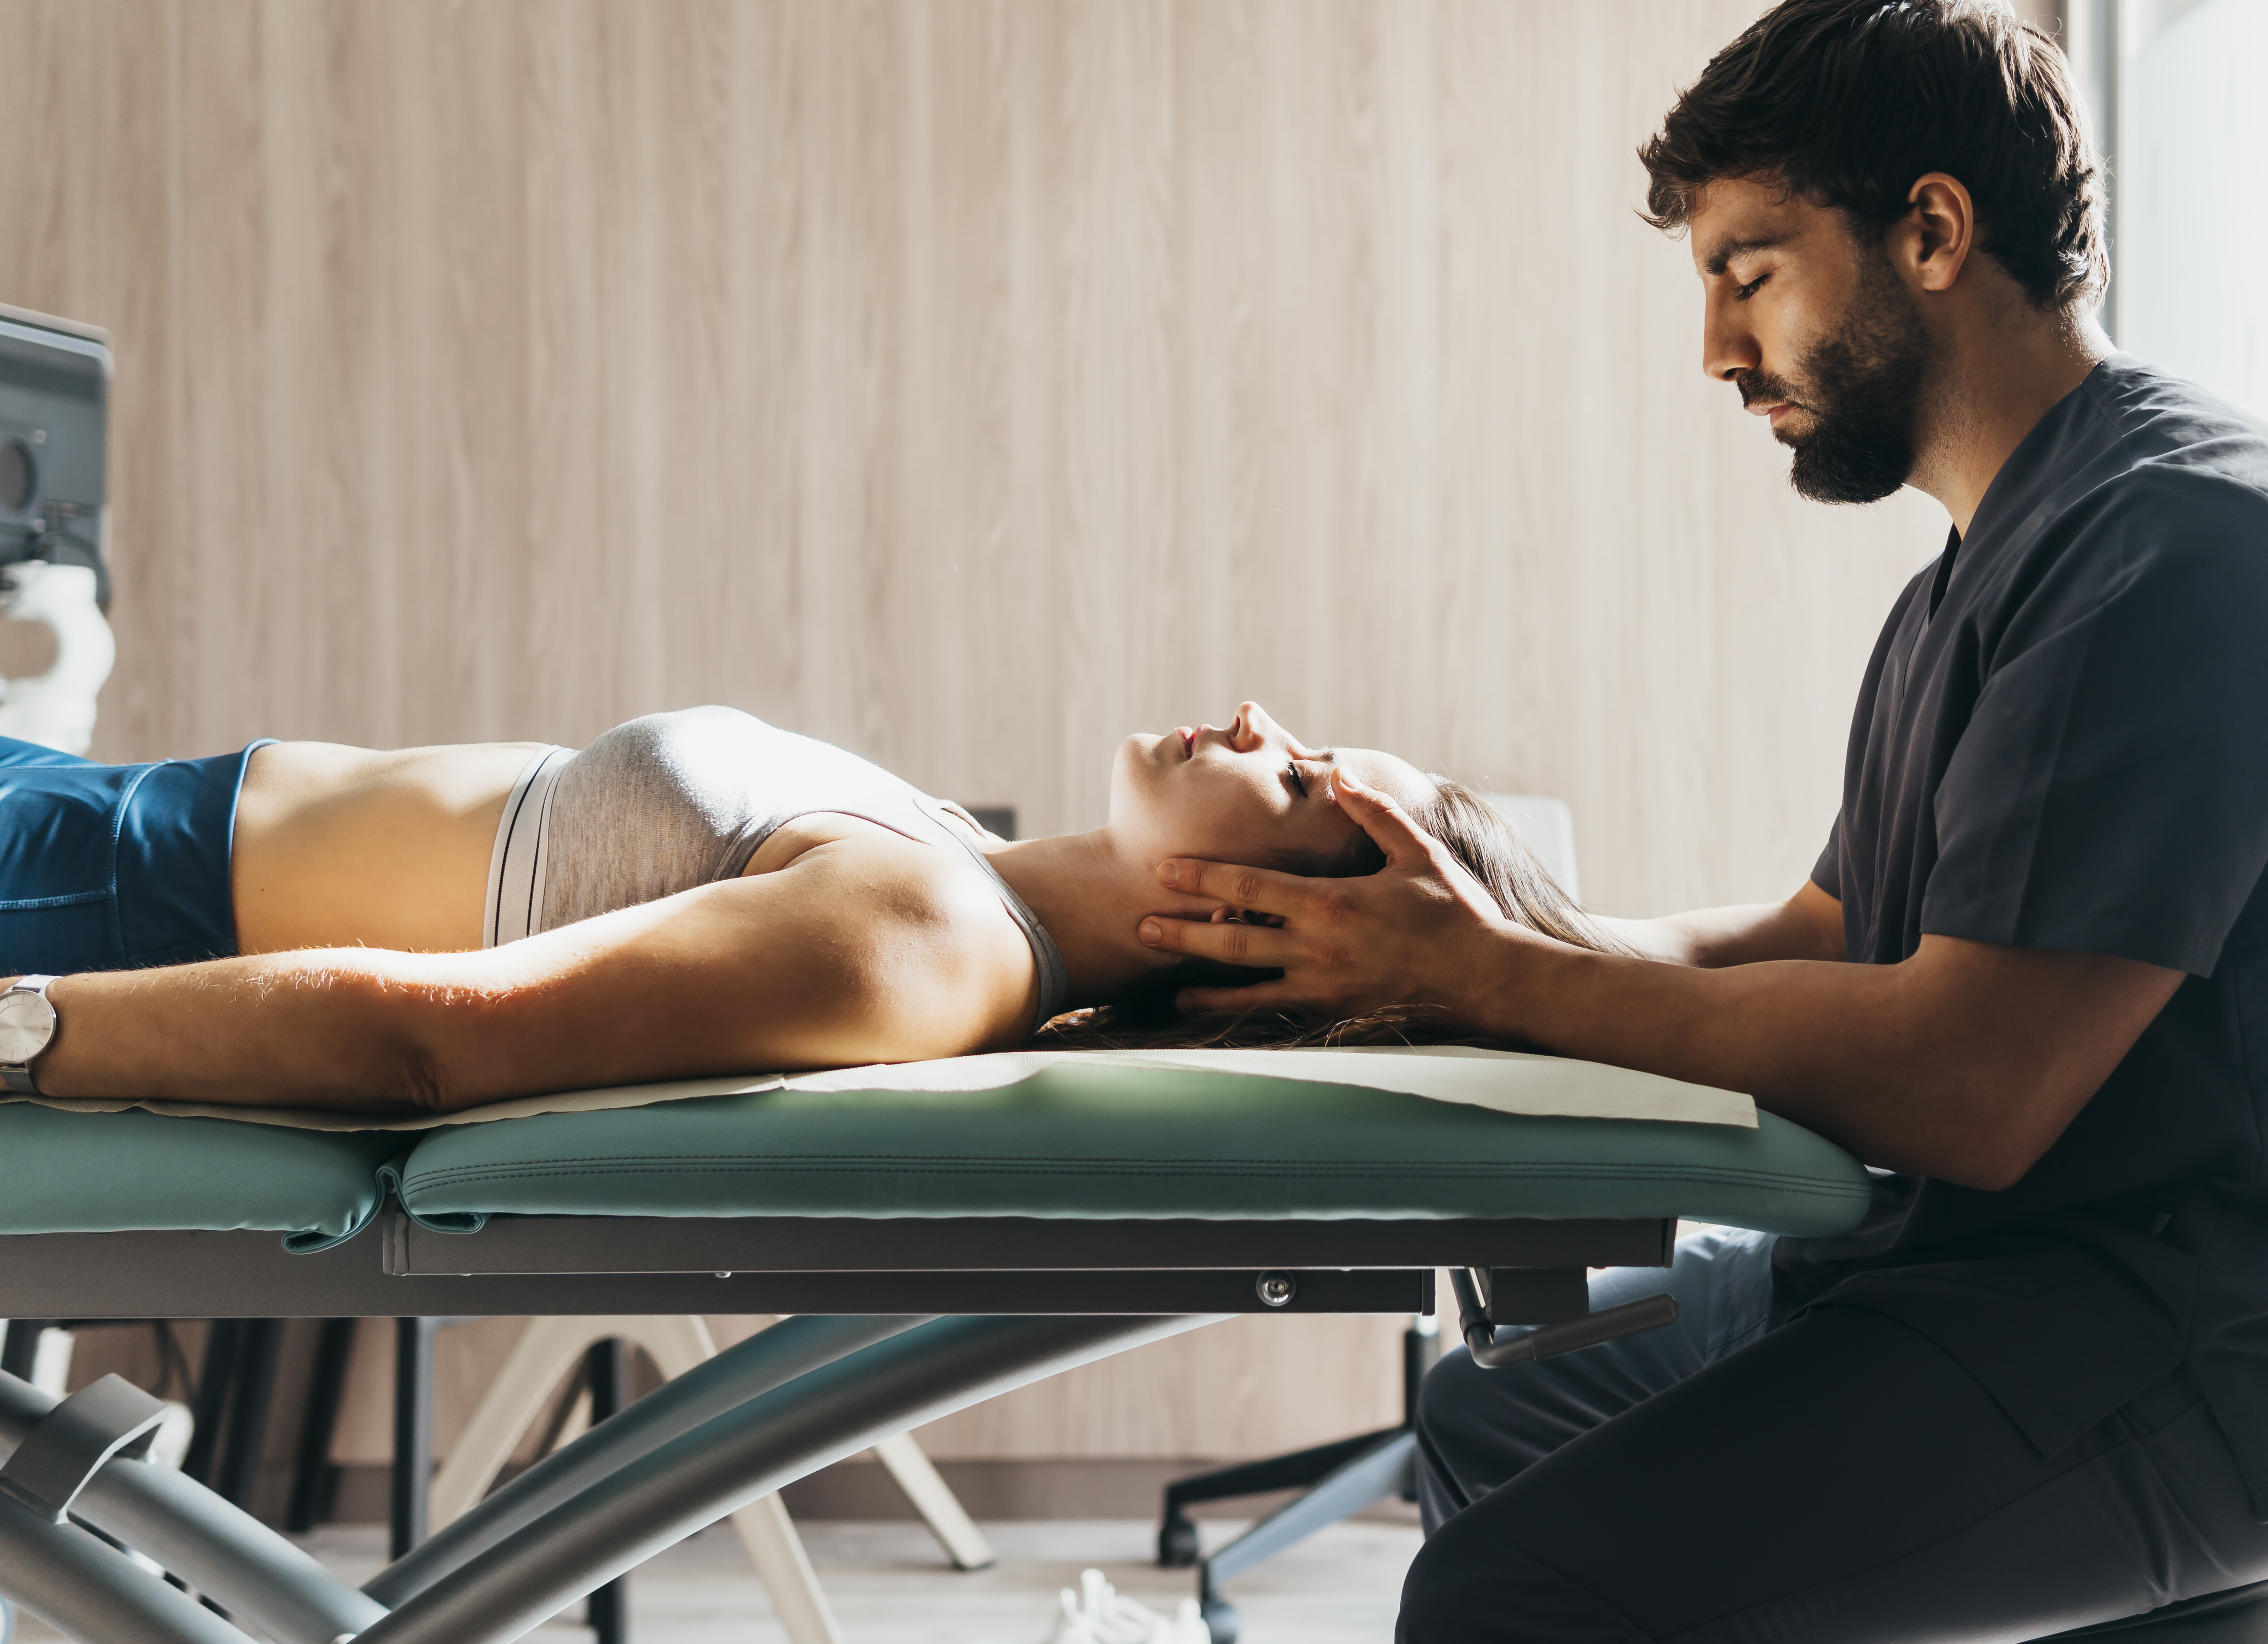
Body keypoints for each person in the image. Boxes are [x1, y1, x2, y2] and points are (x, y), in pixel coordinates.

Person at [1138, 0, 2268, 1640]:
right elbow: (1817, 933)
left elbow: (1965, 1080)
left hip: (2180, 1346)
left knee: (1508, 1590)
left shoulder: (2183, 557)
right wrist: (1468, 929)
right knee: (1502, 1393)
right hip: (1978, 1276)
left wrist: (1488, 976)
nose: (1715, 347)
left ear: (1929, 230)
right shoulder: (1985, 566)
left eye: (1748, 274)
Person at [0, 702, 1600, 1112]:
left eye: (1305, 778)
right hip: (103, 817)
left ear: (1263, 921)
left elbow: (440, 1041)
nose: (1260, 722)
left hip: (99, 898)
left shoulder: (928, 944)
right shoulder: (963, 871)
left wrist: (22, 1026)